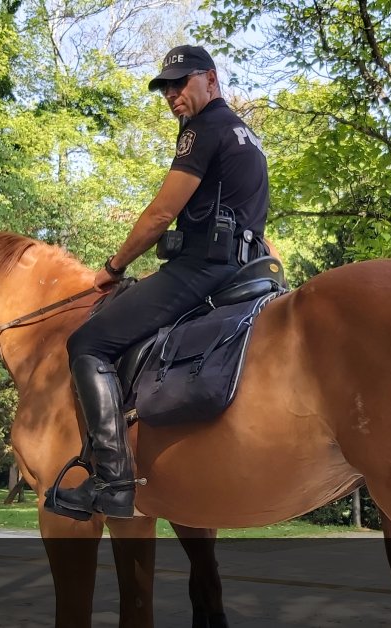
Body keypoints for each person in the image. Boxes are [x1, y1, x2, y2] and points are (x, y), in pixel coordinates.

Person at [47, 45, 271, 520]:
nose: (172, 95)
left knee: (88, 342)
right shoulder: (246, 135)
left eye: (181, 82)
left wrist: (112, 268)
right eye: (166, 87)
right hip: (245, 268)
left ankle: (111, 482)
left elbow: (160, 214)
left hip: (202, 270)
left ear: (210, 79)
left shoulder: (203, 130)